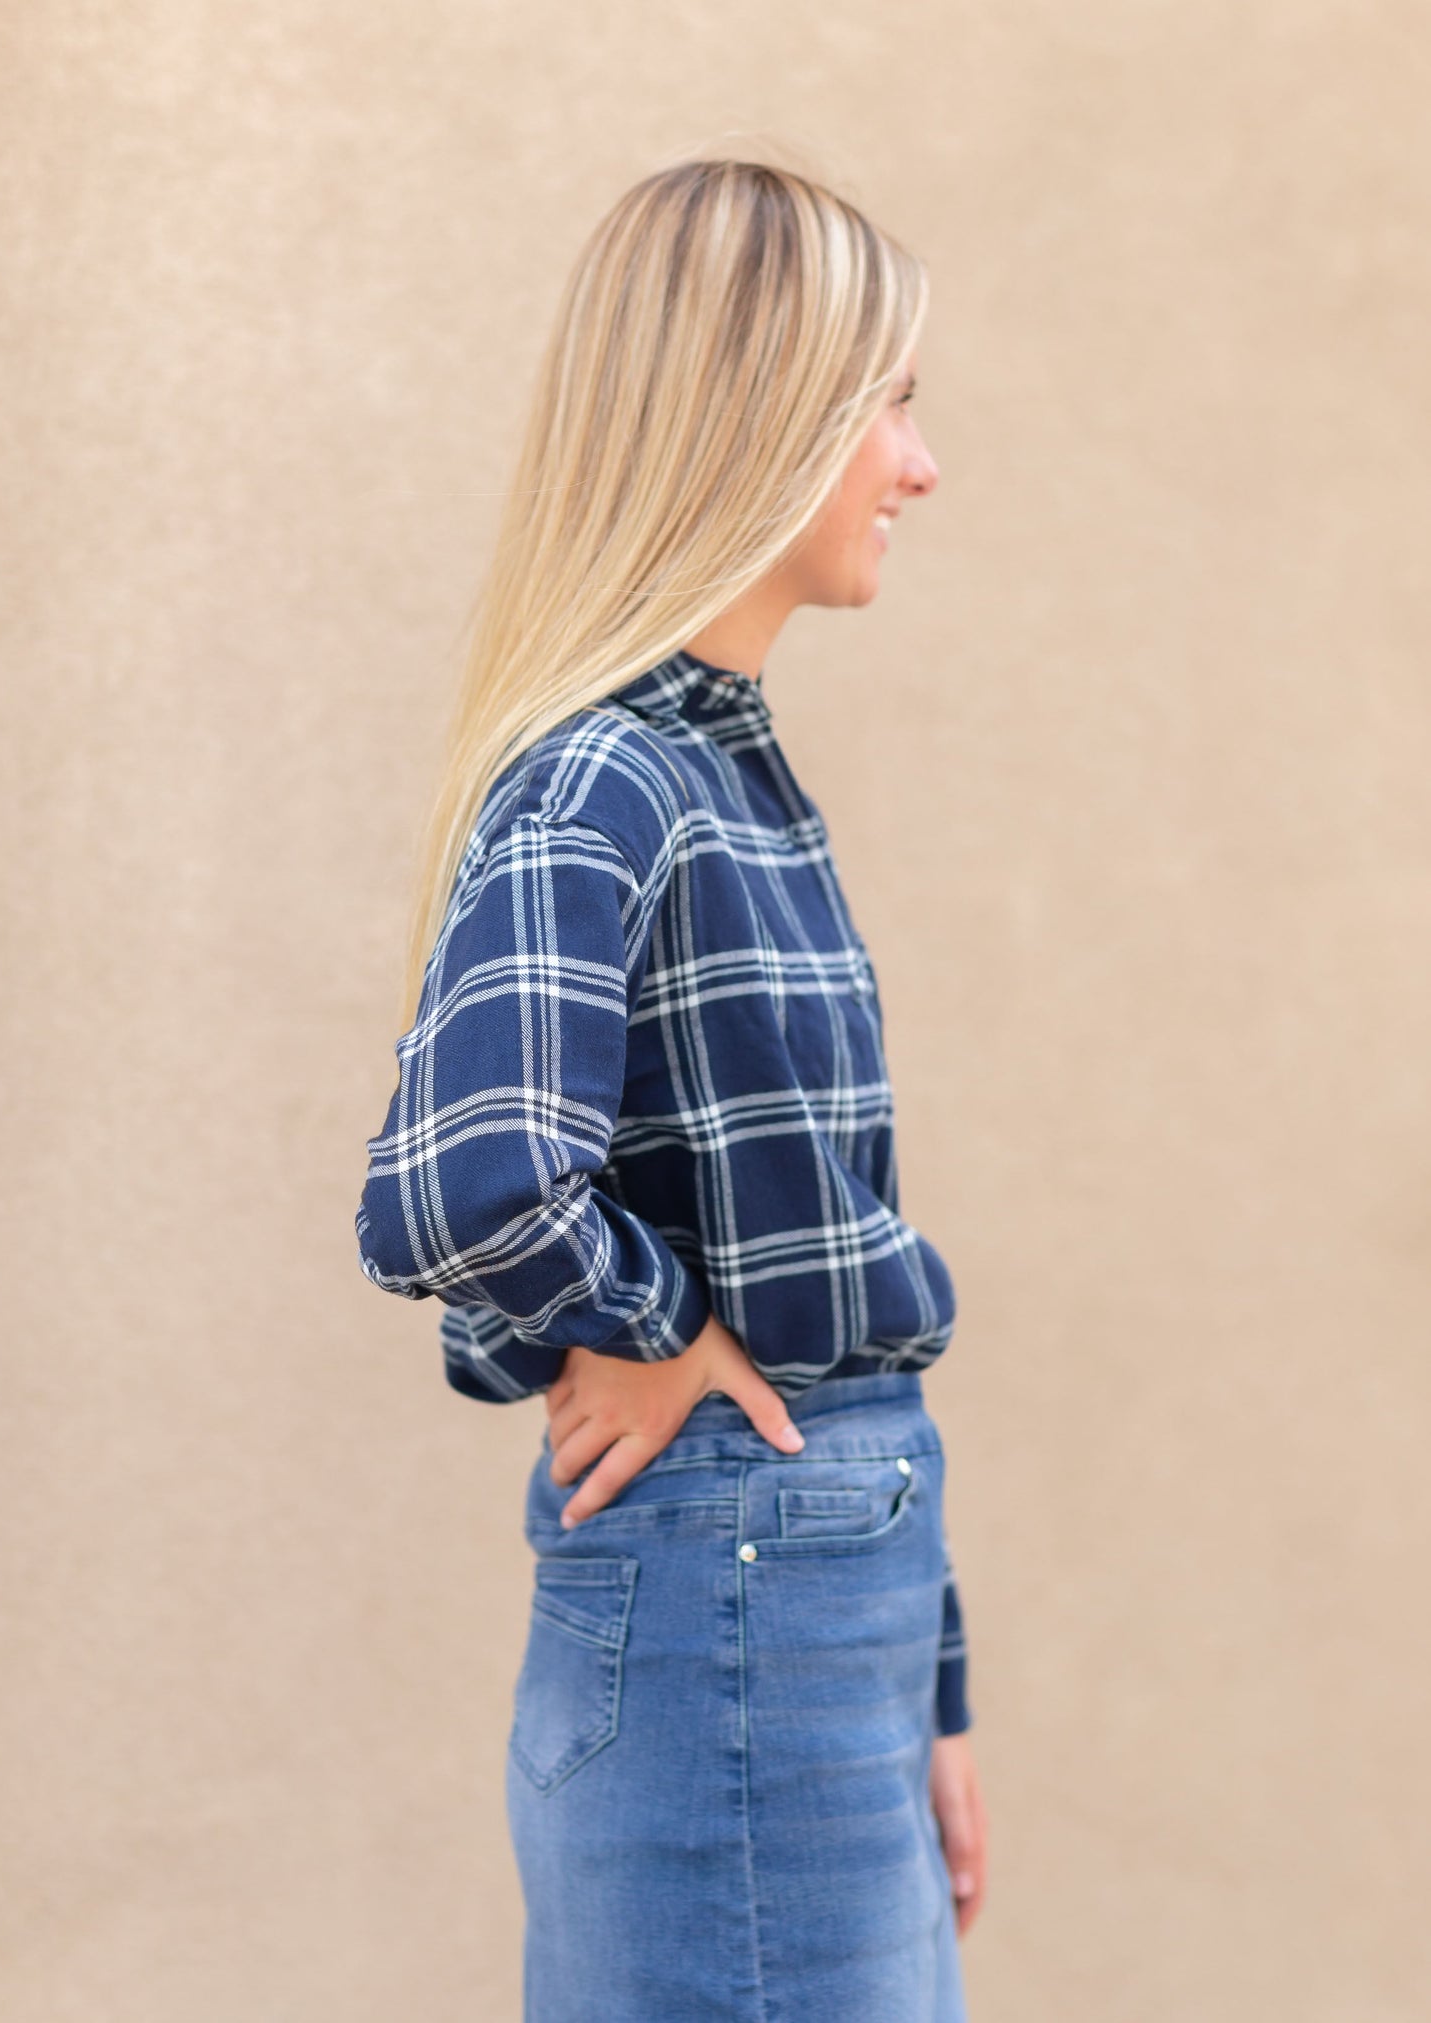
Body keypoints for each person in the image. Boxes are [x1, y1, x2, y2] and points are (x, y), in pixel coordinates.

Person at [354, 156, 989, 2021]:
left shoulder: (722, 774)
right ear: (753, 413)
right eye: (888, 401)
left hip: (808, 1623)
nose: (918, 465)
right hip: (749, 1611)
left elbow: (825, 1263)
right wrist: (648, 1329)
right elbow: (464, 1183)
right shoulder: (609, 781)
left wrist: (920, 1682)